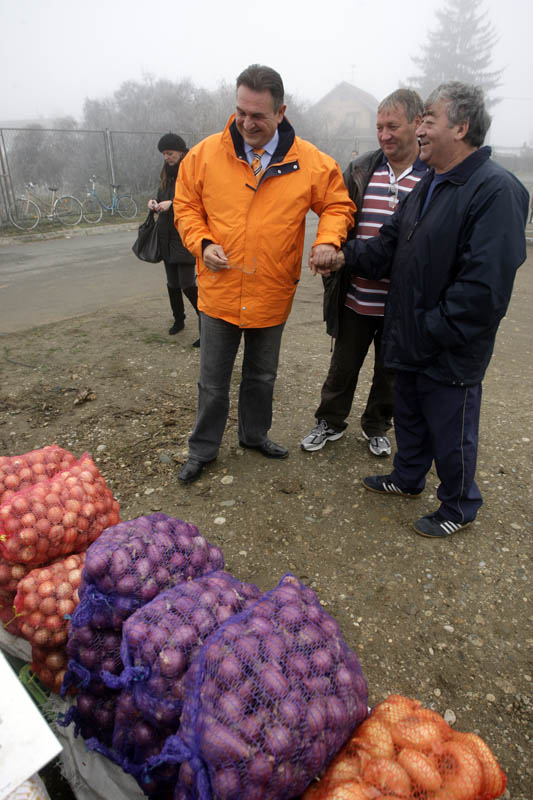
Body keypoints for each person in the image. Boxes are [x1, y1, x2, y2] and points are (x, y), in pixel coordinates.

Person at [311, 82, 528, 538]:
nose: (420, 130)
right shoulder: (431, 183)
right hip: (409, 334)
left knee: (451, 429)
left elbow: (483, 289)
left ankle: (459, 504)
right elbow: (390, 244)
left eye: (428, 120)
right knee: (408, 417)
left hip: (448, 347)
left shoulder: (495, 191)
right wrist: (345, 255)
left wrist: (432, 328)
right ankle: (407, 478)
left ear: (462, 127)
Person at [173, 64, 355, 484]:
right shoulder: (204, 155)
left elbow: (338, 205)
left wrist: (327, 240)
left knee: (261, 375)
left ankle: (254, 435)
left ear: (281, 111)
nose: (247, 123)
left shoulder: (308, 161)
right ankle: (203, 449)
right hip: (219, 290)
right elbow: (185, 207)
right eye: (241, 112)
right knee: (212, 382)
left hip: (272, 289)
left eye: (258, 115)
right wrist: (202, 243)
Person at [301, 89, 427, 457]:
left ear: (418, 123)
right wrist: (328, 249)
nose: (384, 134)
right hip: (356, 294)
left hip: (403, 302)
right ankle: (330, 420)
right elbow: (336, 214)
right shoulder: (360, 169)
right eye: (379, 127)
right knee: (342, 366)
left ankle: (377, 425)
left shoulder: (432, 175)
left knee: (389, 372)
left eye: (393, 126)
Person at [148, 133, 200, 346]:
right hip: (166, 235)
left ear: (180, 151)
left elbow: (200, 201)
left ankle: (207, 326)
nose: (167, 157)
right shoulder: (166, 173)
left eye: (169, 153)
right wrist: (154, 203)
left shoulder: (192, 169)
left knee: (188, 283)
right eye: (164, 154)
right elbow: (162, 196)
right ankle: (179, 319)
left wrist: (174, 204)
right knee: (172, 284)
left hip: (186, 235)